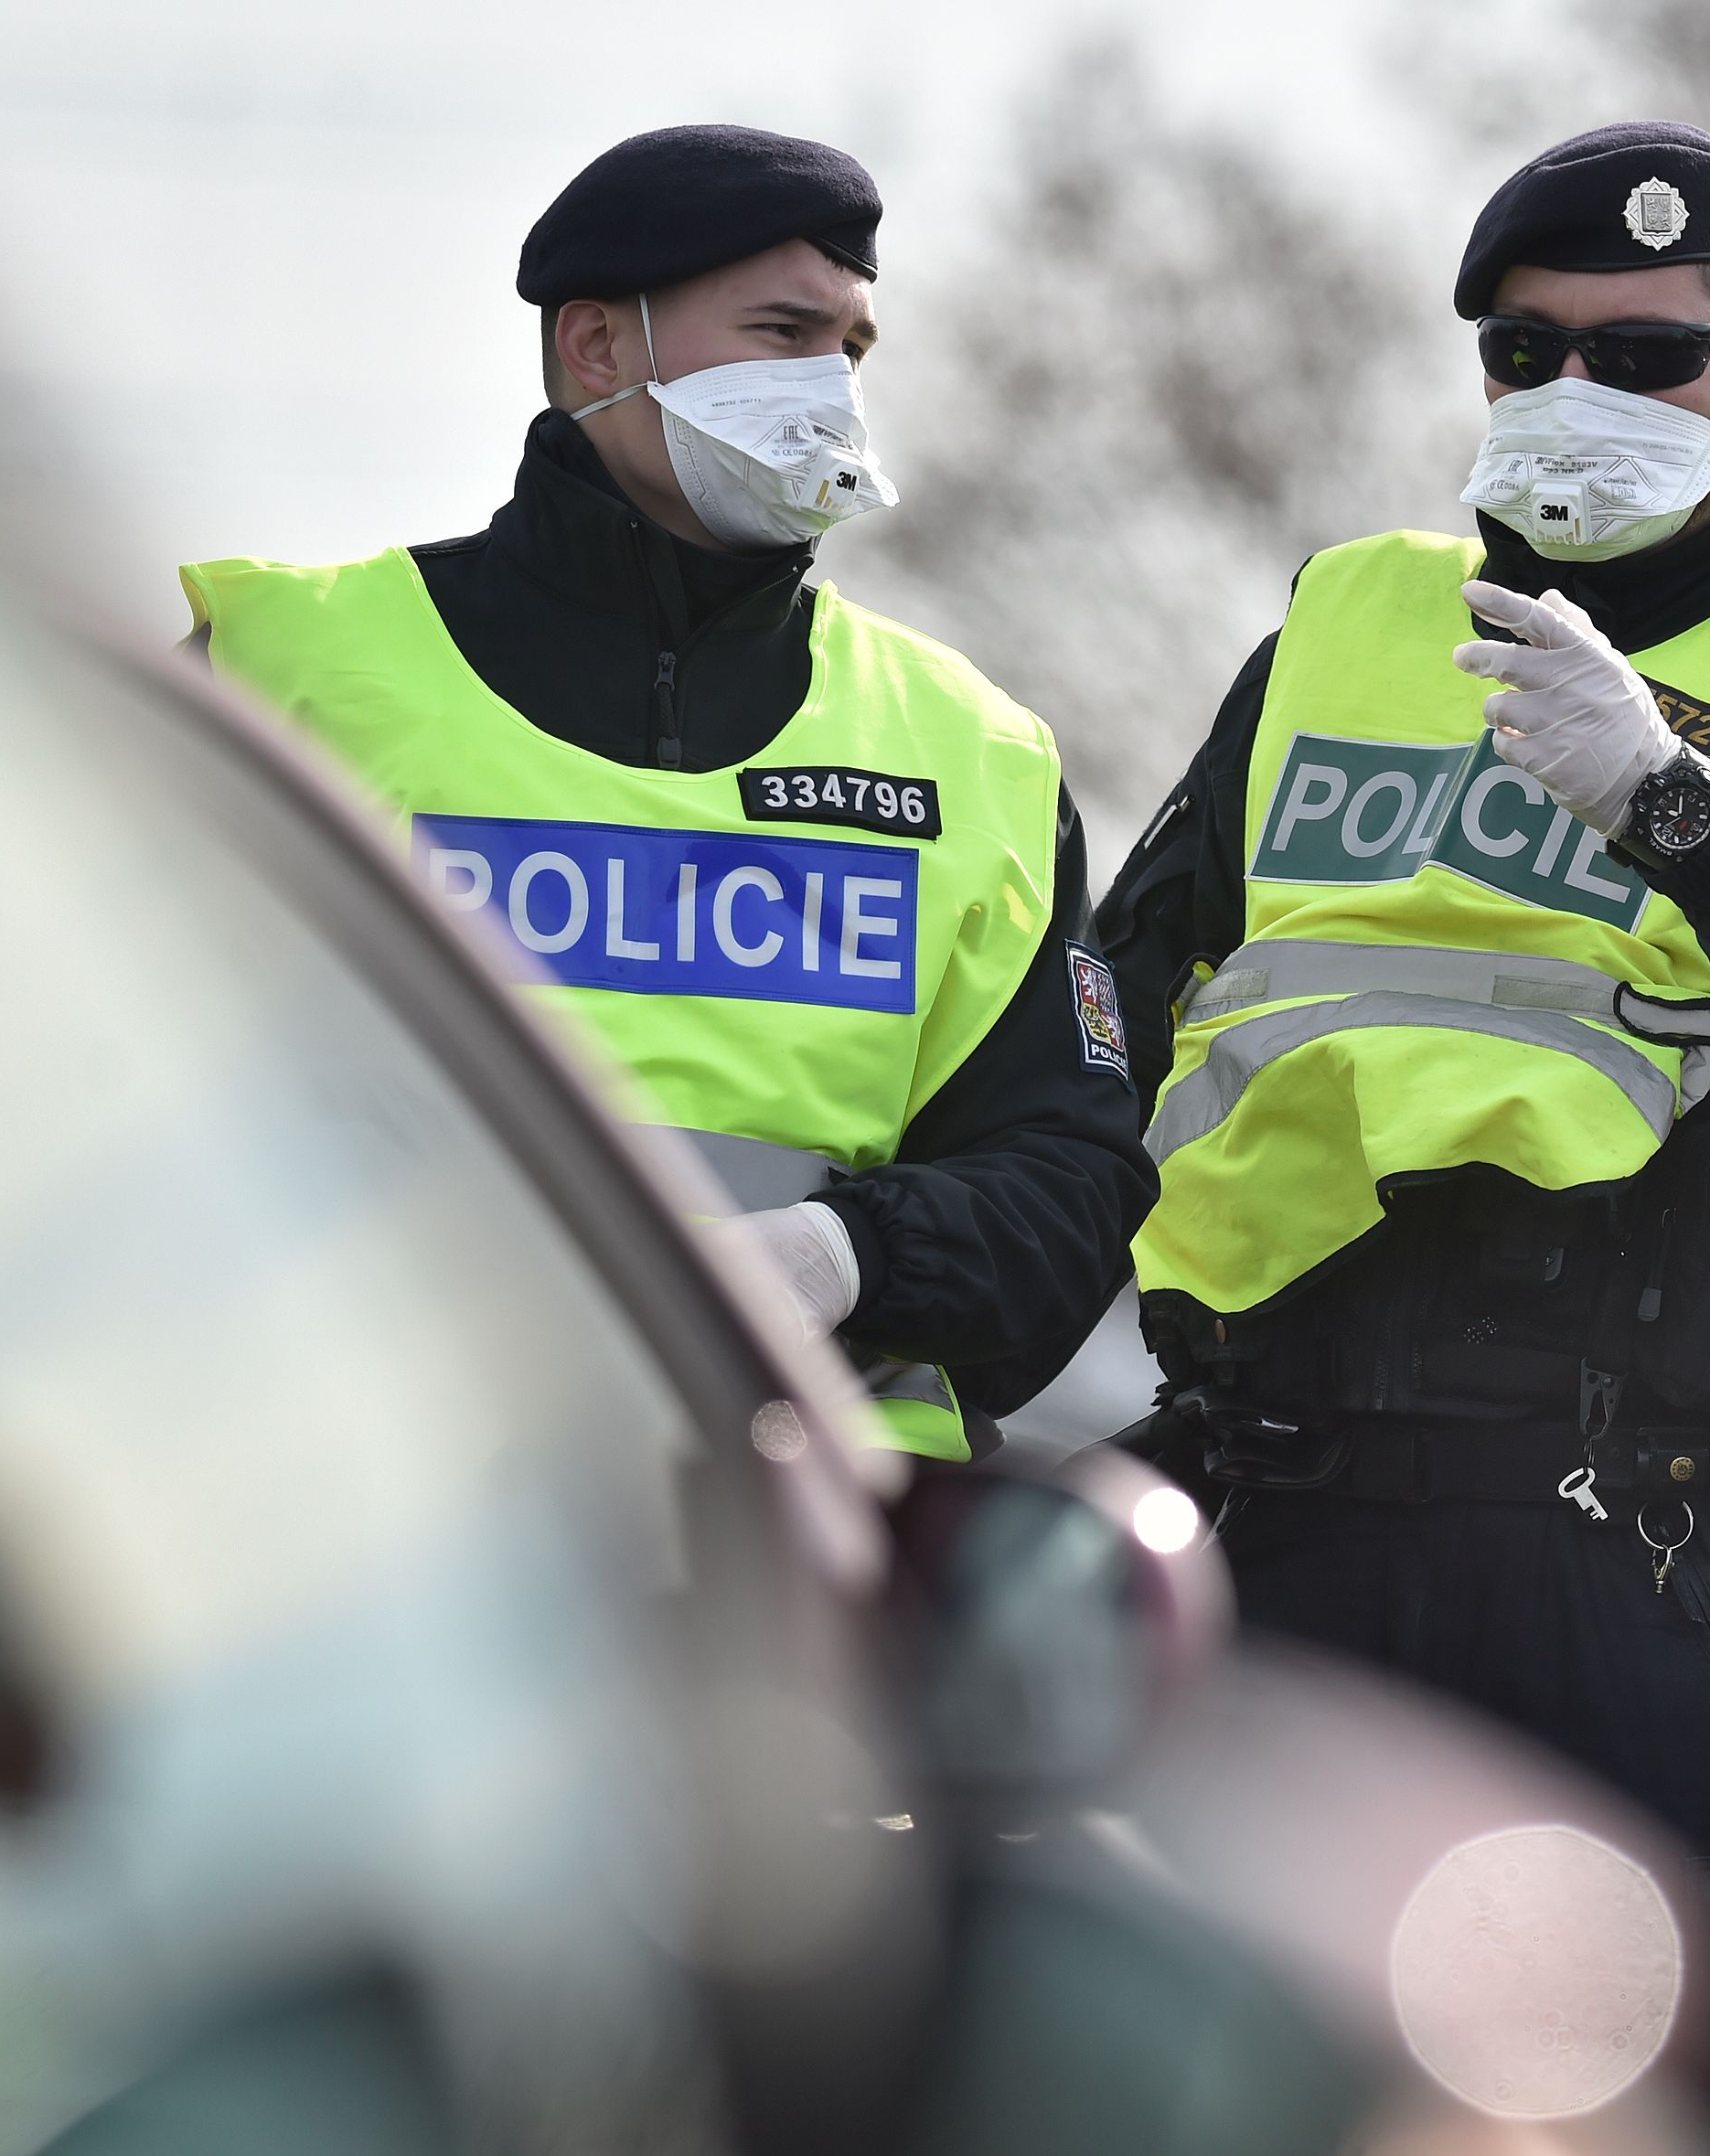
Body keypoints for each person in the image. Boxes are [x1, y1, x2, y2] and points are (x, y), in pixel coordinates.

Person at [1096, 122, 1710, 2156]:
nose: (1575, 398)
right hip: (1287, 1530)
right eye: (1522, 353)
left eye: (1643, 358)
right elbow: (1116, 1013)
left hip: (1633, 1557)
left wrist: (1680, 805)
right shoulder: (1339, 636)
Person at [185, 125, 1153, 1459]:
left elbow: (1071, 1191)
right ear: (598, 347)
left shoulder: (970, 752)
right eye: (781, 332)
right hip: (374, 1523)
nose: (830, 390)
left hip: (803, 1548)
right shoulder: (286, 675)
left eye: (852, 348)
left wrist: (847, 1255)